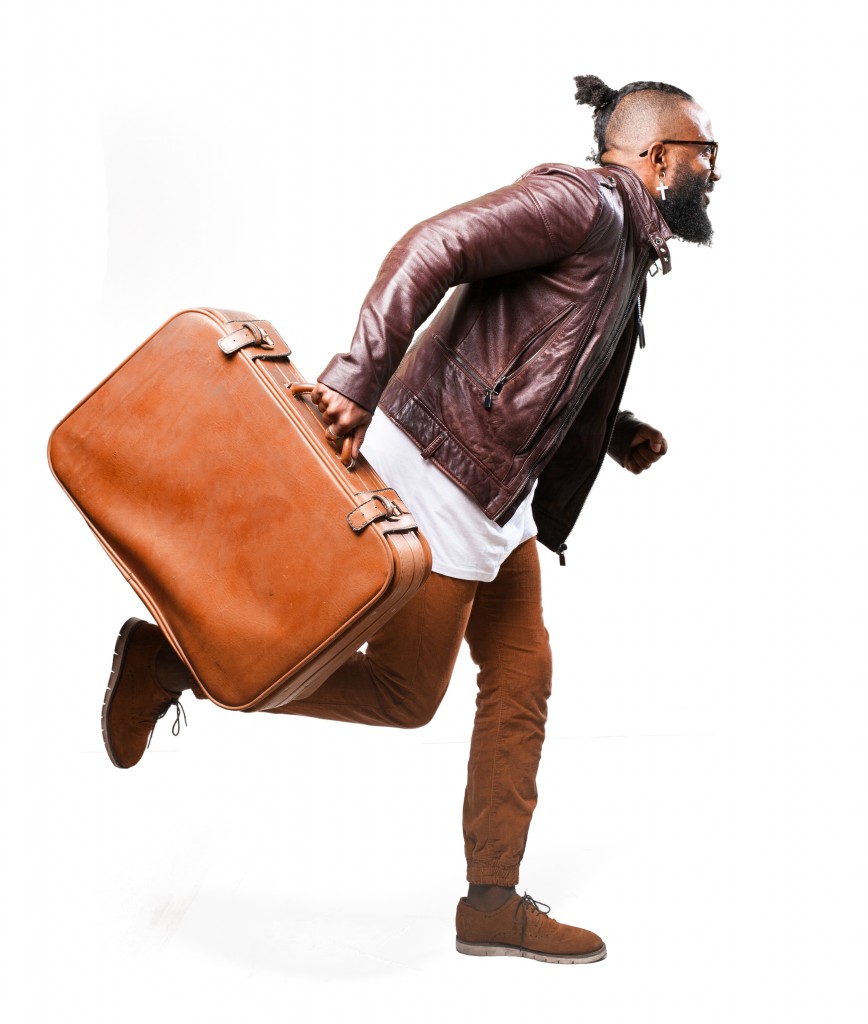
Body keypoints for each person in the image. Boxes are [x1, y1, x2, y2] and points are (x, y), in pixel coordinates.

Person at [101, 74, 720, 965]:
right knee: (403, 694)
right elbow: (435, 244)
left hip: (498, 489)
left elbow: (541, 351)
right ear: (659, 157)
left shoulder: (627, 241)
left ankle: (492, 902)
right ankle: (175, 663)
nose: (715, 172)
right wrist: (357, 377)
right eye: (706, 154)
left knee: (522, 675)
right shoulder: (583, 203)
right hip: (445, 474)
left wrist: (609, 433)